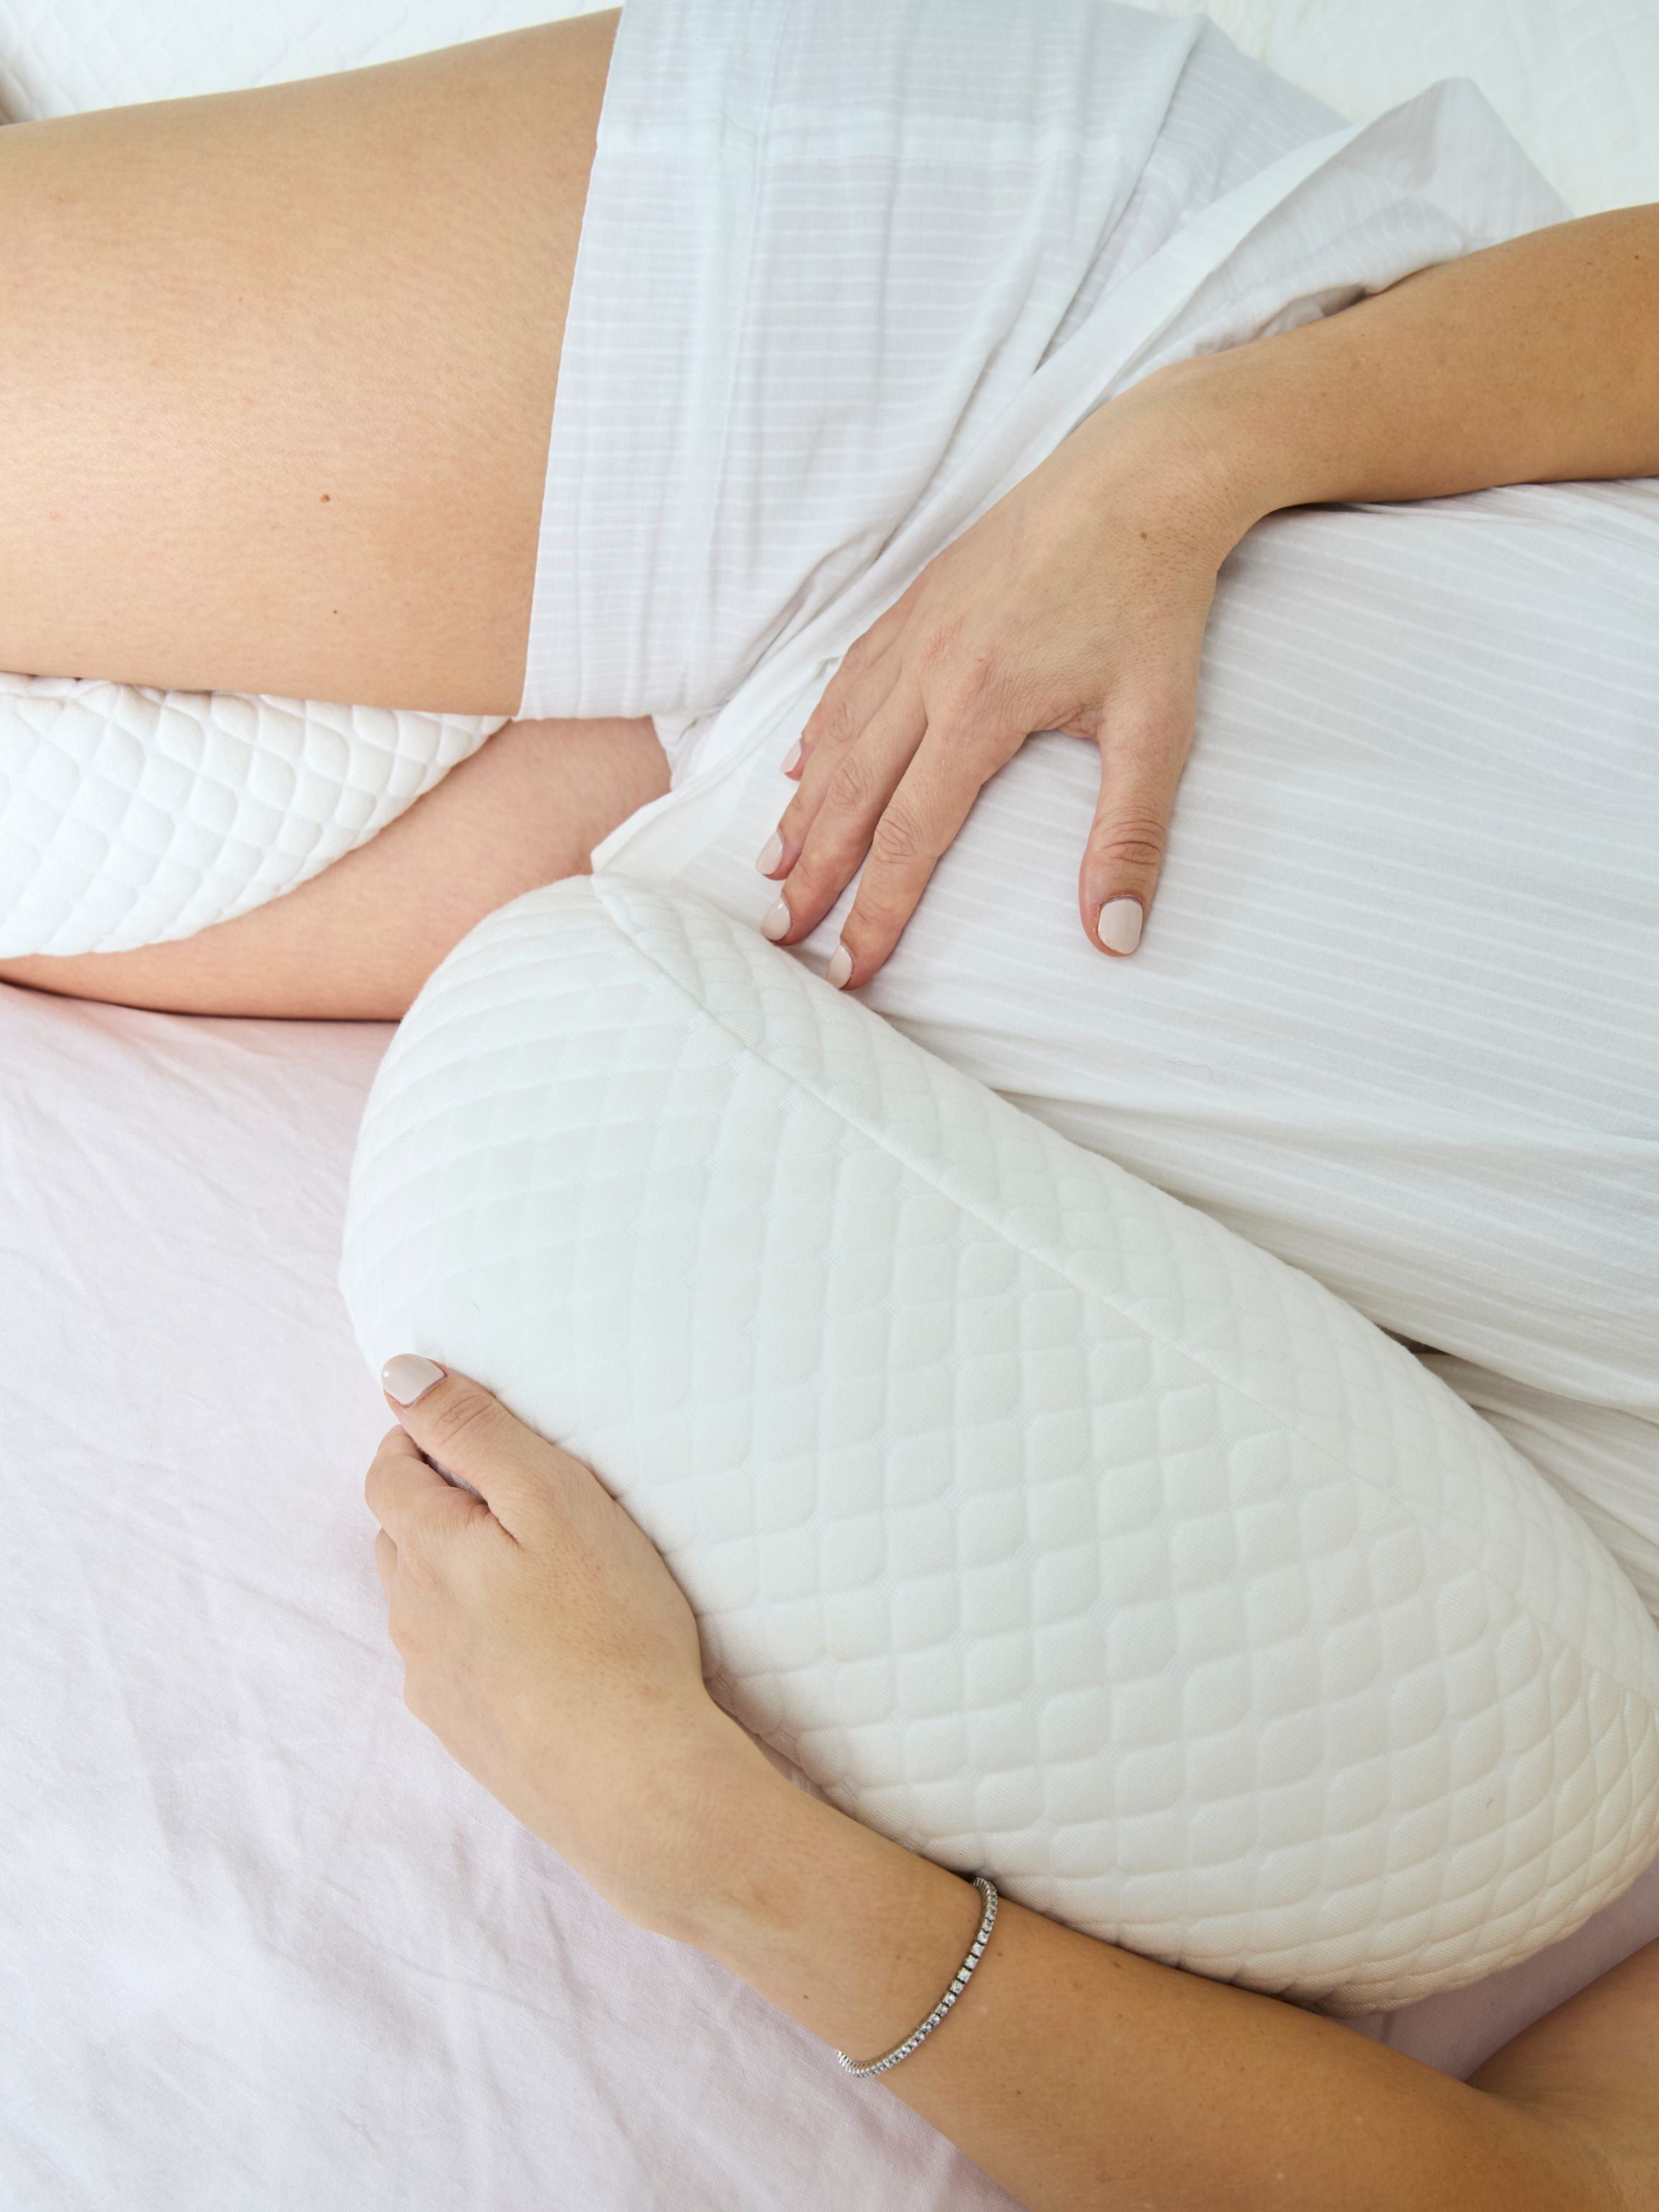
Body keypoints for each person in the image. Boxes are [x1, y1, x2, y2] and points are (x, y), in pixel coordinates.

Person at [0, 6, 1653, 2204]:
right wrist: (1203, 450)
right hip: (1083, 372)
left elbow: (1535, 2188)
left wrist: (728, 1858)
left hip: (761, 906)